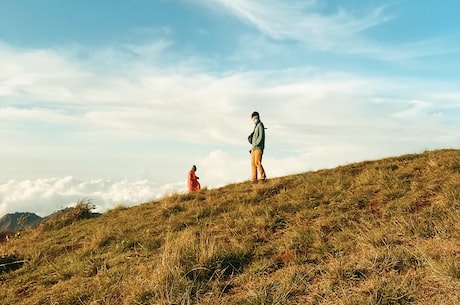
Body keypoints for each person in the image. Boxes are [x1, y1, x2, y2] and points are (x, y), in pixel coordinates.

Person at [249, 111, 266, 182]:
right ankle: (254, 179)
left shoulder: (260, 125)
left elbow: (261, 136)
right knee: (253, 164)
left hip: (258, 148)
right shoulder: (256, 126)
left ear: (257, 117)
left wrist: (256, 144)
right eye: (253, 118)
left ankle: (262, 177)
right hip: (253, 148)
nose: (254, 120)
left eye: (255, 118)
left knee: (257, 162)